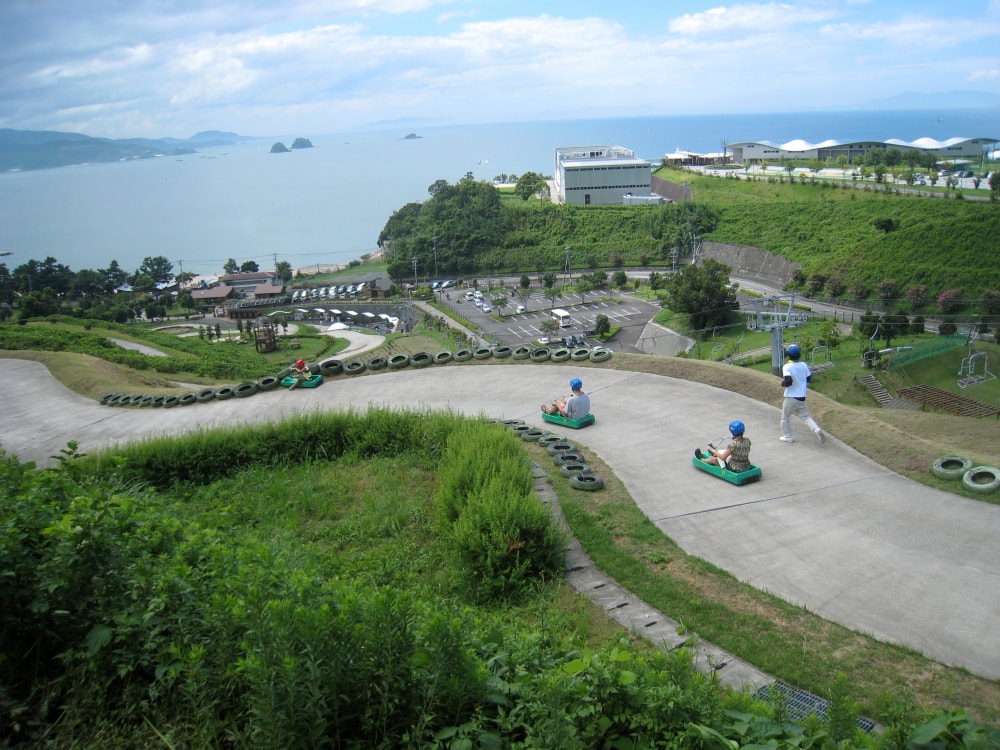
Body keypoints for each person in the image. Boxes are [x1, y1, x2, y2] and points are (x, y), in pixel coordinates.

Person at [779, 344, 826, 444]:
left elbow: (788, 381)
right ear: (799, 355)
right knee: (805, 417)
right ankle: (816, 429)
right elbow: (808, 378)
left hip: (791, 397)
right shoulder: (803, 365)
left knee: (785, 418)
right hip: (801, 397)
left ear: (788, 355)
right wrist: (803, 385)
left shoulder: (787, 366)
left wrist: (782, 383)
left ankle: (788, 436)